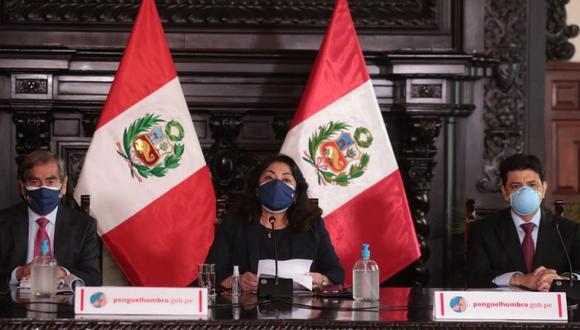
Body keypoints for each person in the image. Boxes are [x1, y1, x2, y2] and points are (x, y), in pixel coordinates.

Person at [206, 154, 344, 292]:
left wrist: (322, 280)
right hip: (247, 309)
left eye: (286, 179)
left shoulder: (312, 224)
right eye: (269, 178)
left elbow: (336, 274)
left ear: (295, 193)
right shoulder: (234, 222)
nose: (277, 184)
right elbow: (211, 273)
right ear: (256, 188)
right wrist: (237, 281)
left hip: (302, 309)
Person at [466, 154, 580, 291]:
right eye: (516, 186)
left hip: (552, 309)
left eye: (532, 185)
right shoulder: (482, 230)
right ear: (504, 192)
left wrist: (562, 281)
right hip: (504, 309)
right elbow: (475, 277)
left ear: (543, 189)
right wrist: (519, 279)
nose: (525, 192)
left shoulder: (568, 230)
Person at [0, 150, 101, 287]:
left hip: (64, 305)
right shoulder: (4, 222)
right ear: (23, 187)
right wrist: (18, 274)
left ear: (64, 185)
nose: (43, 189)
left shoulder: (83, 226)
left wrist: (63, 273)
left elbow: (93, 277)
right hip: (12, 304)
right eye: (35, 181)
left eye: (50, 181)